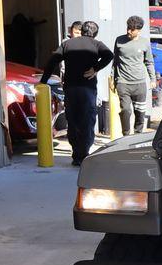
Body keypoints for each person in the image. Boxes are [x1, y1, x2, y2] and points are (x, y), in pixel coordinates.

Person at [40, 20, 113, 165]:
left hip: (71, 88)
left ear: (83, 30)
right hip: (88, 88)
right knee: (87, 120)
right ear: (95, 33)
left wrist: (43, 81)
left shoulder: (68, 44)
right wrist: (96, 68)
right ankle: (83, 153)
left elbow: (52, 61)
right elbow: (109, 55)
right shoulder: (97, 44)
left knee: (72, 120)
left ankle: (76, 154)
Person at [112, 15, 156, 135]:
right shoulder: (119, 40)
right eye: (128, 28)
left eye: (132, 29)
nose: (128, 31)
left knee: (140, 112)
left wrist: (153, 79)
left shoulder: (144, 42)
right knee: (125, 110)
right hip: (123, 82)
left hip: (139, 83)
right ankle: (125, 134)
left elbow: (149, 62)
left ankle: (137, 134)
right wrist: (112, 79)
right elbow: (115, 61)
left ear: (139, 30)